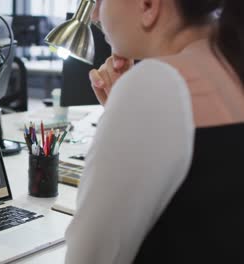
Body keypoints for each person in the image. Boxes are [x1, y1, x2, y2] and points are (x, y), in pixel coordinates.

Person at [65, 0, 244, 263]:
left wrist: (128, 106)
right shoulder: (231, 67)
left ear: (148, 6)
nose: (94, 14)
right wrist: (122, 113)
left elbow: (89, 256)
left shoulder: (156, 84)